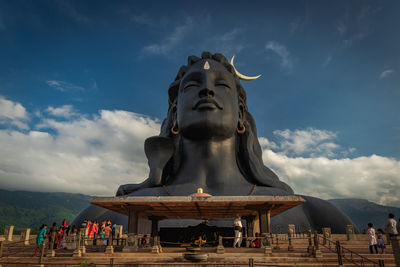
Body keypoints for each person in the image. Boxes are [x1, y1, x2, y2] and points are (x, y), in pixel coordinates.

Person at [73, 52, 357, 234]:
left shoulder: (315, 213)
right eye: (193, 85)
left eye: (221, 85)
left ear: (241, 113)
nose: (207, 89)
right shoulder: (104, 214)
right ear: (174, 113)